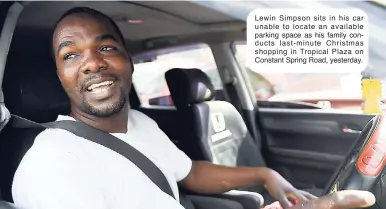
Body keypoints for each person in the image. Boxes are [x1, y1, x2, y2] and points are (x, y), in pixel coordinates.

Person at [11, 7, 375, 209]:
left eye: (106, 48)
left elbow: (189, 173)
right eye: (71, 55)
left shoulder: (139, 123)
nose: (92, 63)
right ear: (60, 77)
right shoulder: (53, 164)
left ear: (129, 61)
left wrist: (265, 175)